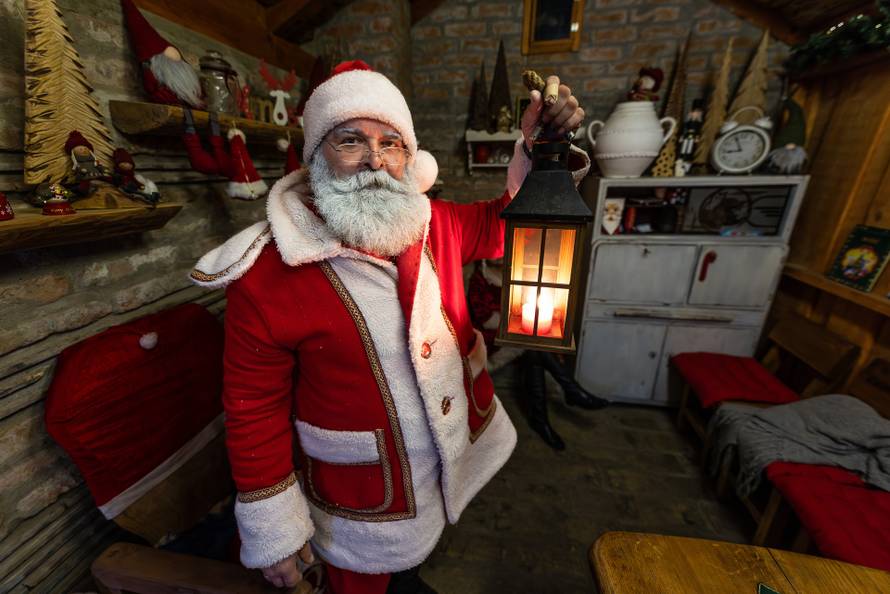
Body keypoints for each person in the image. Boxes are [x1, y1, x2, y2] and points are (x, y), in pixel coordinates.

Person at [190, 60, 587, 594]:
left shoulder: (432, 220)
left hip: (436, 465)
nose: (374, 160)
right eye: (349, 141)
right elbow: (251, 408)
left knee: (410, 567)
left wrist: (543, 152)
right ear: (315, 159)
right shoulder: (264, 272)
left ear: (408, 156)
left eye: (391, 143)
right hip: (359, 497)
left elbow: (505, 226)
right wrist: (277, 533)